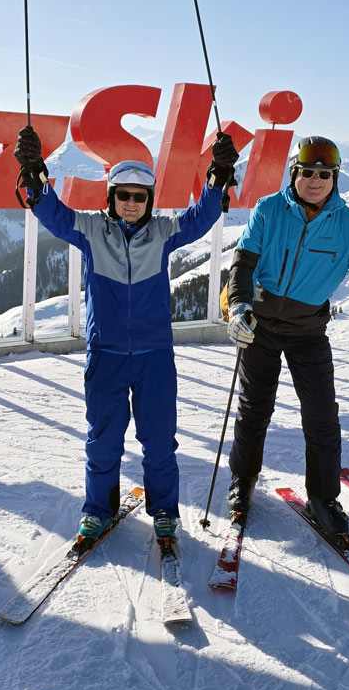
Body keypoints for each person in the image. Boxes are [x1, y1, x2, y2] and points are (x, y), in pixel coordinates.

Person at [13, 125, 237, 546]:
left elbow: (201, 217)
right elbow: (52, 213)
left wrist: (218, 176)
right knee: (103, 440)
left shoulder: (164, 233)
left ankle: (165, 511)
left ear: (149, 200)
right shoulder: (91, 230)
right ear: (111, 198)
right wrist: (33, 172)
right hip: (106, 354)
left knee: (159, 441)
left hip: (154, 356)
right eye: (123, 196)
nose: (131, 203)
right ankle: (97, 510)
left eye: (139, 197)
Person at [223, 136, 349, 546]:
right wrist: (239, 307)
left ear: (335, 178)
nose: (315, 181)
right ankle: (242, 478)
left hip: (308, 331)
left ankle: (322, 498)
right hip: (259, 324)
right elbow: (243, 262)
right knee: (254, 407)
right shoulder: (269, 209)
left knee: (322, 416)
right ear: (294, 174)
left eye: (324, 174)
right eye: (307, 172)